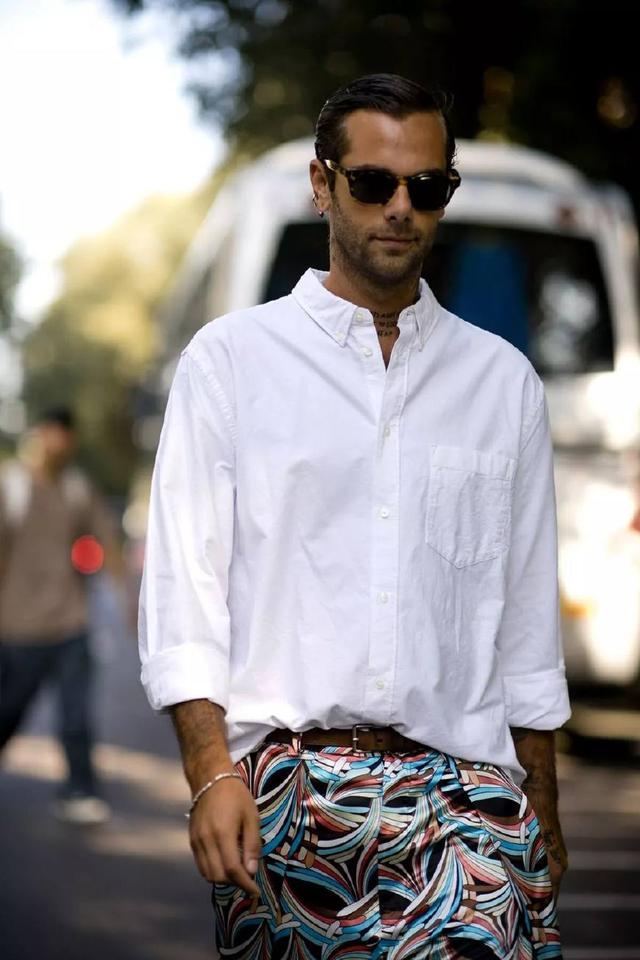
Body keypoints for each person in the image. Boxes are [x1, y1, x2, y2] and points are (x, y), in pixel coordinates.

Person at [139, 74, 571, 957]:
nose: (400, 207)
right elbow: (185, 590)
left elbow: (527, 624)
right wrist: (210, 773)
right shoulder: (231, 363)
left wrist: (545, 810)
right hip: (287, 796)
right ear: (322, 184)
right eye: (373, 182)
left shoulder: (504, 384)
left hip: (466, 800)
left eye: (427, 186)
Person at [0, 406, 119, 824]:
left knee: (76, 714)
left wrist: (129, 600)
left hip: (70, 621)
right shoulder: (10, 486)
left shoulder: (77, 489)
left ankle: (79, 790)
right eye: (51, 433)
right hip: (18, 626)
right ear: (38, 435)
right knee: (7, 711)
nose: (57, 443)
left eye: (64, 436)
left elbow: (107, 539)